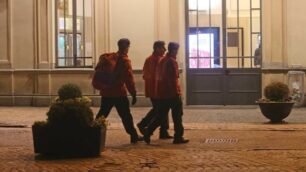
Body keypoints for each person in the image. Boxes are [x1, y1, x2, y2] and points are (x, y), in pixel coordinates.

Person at [95, 38, 142, 144]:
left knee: (102, 114)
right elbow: (129, 79)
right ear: (127, 47)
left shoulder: (108, 58)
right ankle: (134, 136)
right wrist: (133, 94)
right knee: (126, 116)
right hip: (119, 93)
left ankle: (93, 133)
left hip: (106, 92)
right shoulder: (125, 61)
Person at [143, 42, 189, 144]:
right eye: (176, 50)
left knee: (160, 116)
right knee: (177, 116)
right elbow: (173, 80)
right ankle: (178, 137)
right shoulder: (172, 62)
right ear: (174, 50)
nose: (177, 52)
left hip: (162, 94)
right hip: (172, 94)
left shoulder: (162, 60)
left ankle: (147, 133)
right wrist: (177, 93)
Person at [137, 41, 173, 139]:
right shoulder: (157, 60)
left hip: (154, 90)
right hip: (157, 90)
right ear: (157, 48)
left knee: (160, 110)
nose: (165, 50)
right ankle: (143, 124)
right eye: (163, 48)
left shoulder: (150, 59)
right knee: (160, 111)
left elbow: (145, 75)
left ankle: (163, 131)